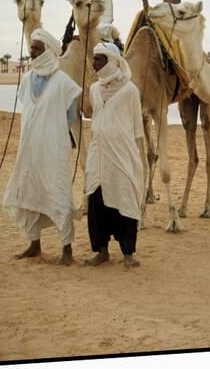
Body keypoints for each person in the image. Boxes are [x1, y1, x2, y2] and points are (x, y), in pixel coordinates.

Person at [3, 28, 82, 266]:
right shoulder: (27, 79)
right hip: (29, 148)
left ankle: (66, 248)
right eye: (31, 50)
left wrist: (51, 132)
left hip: (54, 148)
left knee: (58, 192)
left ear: (47, 50)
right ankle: (34, 244)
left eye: (37, 49)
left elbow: (70, 116)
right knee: (29, 190)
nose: (32, 53)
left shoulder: (64, 83)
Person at [84, 42, 146, 268]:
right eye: (94, 59)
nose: (94, 63)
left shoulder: (130, 91)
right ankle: (102, 251)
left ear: (111, 61)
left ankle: (128, 253)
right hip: (98, 155)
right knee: (96, 202)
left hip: (122, 155)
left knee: (125, 199)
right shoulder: (93, 89)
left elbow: (137, 128)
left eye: (99, 59)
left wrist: (137, 158)